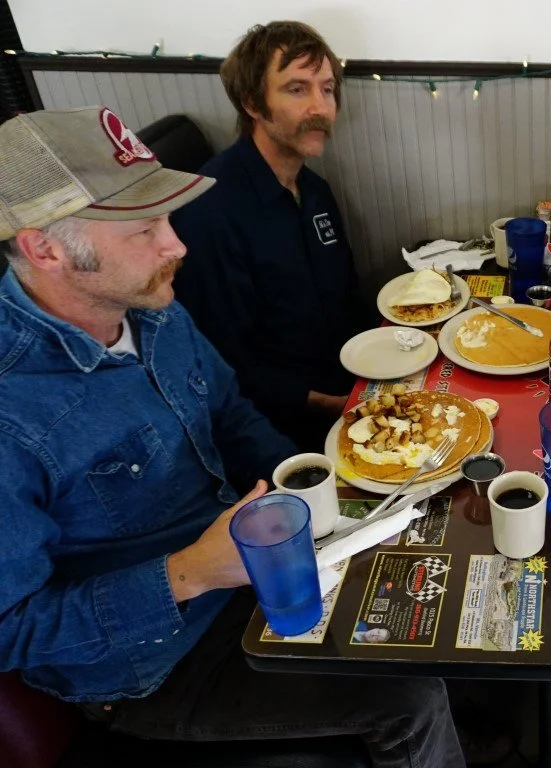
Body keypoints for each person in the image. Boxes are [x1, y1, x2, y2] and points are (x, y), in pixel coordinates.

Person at [0, 107, 463, 767]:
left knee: (432, 546)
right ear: (45, 247)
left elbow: (230, 413)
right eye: (145, 228)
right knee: (406, 698)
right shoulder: (11, 413)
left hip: (249, 566)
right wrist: (188, 574)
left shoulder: (145, 301)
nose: (177, 246)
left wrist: (327, 492)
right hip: (154, 663)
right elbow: (12, 629)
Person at [171, 21, 373, 452]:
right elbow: (223, 360)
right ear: (252, 103)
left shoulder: (314, 190)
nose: (321, 107)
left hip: (349, 389)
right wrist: (337, 404)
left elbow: (346, 297)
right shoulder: (210, 210)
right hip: (280, 427)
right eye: (297, 89)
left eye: (327, 89)